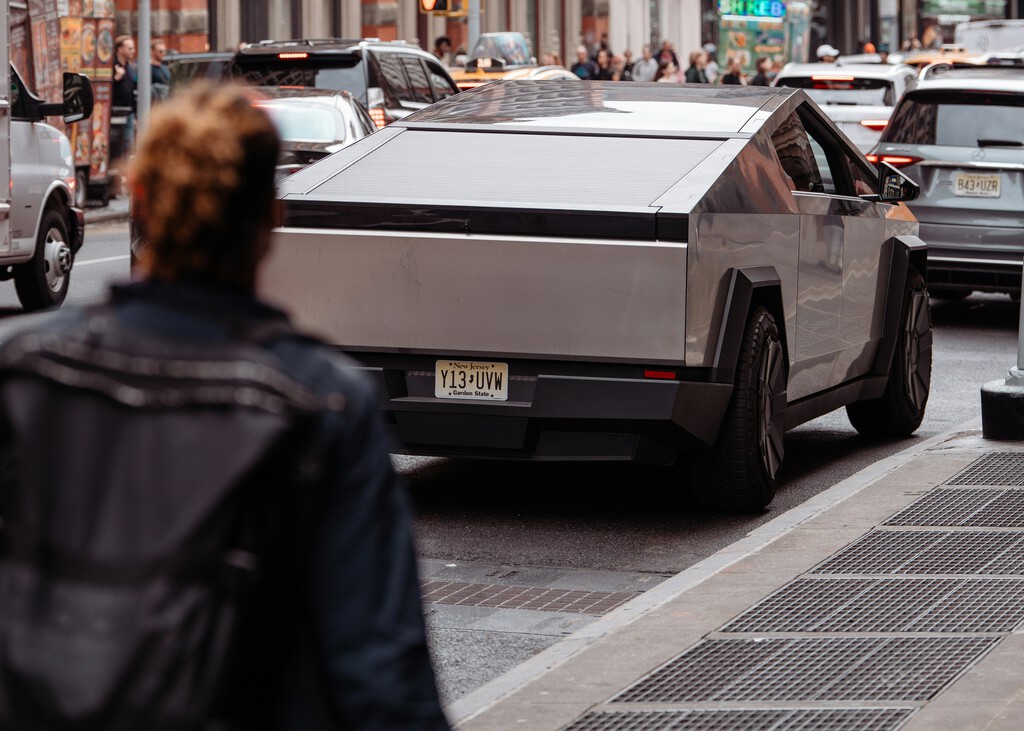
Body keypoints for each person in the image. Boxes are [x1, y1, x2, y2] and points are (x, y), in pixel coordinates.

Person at [0, 83, 450, 730]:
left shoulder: (30, 373)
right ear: (270, 218)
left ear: (143, 202)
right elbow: (380, 668)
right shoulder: (319, 402)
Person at [112, 35, 137, 151]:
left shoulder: (130, 67)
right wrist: (116, 78)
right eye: (130, 48)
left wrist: (135, 114)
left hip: (129, 111)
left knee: (129, 144)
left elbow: (132, 92)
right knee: (116, 144)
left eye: (133, 48)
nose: (133, 51)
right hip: (115, 110)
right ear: (120, 49)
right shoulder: (112, 65)